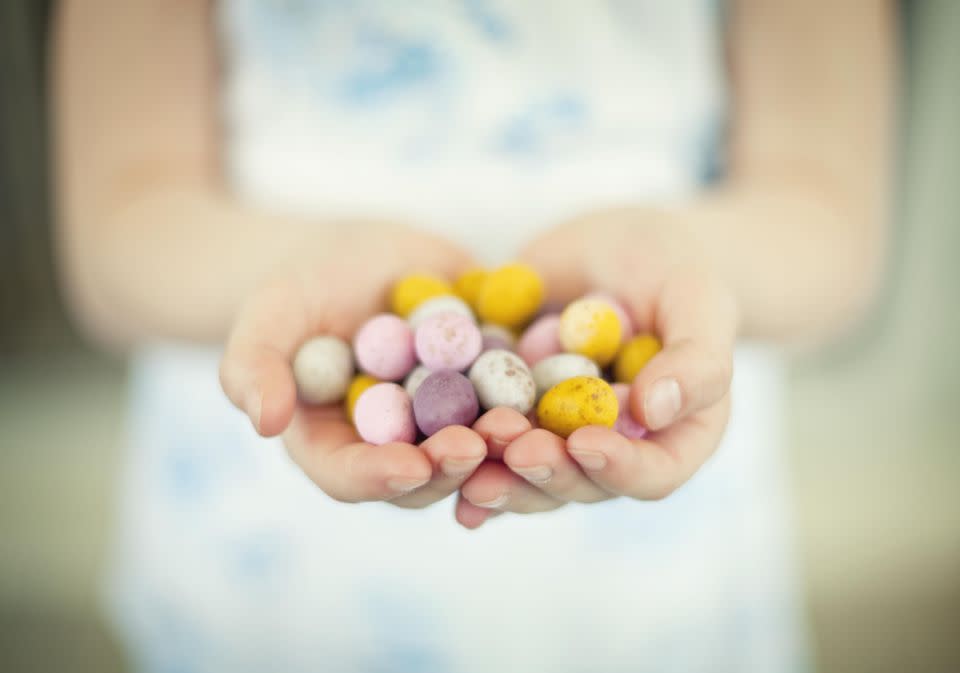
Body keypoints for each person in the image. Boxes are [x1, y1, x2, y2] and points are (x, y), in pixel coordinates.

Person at [54, 1, 894, 671]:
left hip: (648, 555)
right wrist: (291, 272)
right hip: (268, 553)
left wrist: (686, 266)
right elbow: (117, 239)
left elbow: (827, 223)